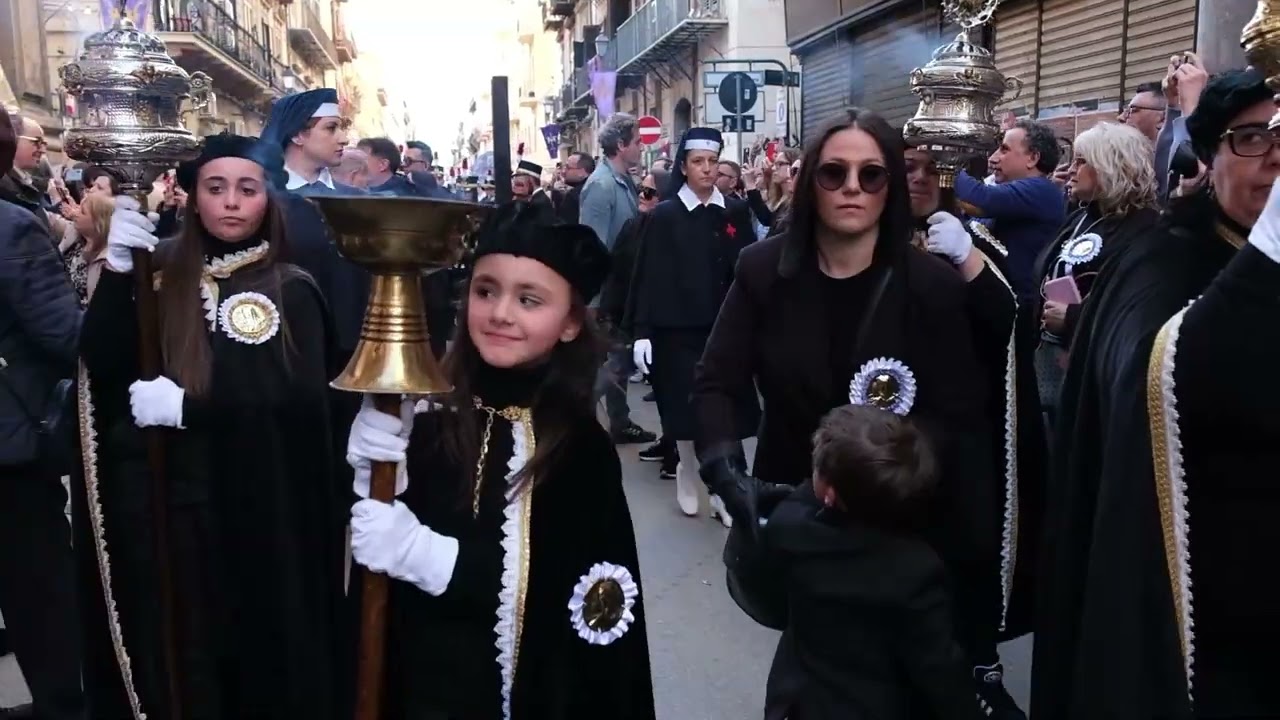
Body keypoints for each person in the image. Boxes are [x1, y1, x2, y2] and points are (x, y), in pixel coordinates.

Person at [693, 108, 1014, 712]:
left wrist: (893, 483)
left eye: (871, 176)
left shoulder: (934, 287)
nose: (851, 189)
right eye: (834, 173)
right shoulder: (762, 271)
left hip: (904, 532)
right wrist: (725, 472)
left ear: (891, 186)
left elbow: (960, 417)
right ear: (809, 179)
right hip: (802, 523)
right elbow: (715, 381)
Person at [345, 200, 656, 718]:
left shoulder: (579, 448)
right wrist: (372, 474)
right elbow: (371, 550)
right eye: (486, 291)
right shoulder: (427, 413)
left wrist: (428, 556)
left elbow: (570, 598)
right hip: (416, 680)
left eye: (529, 300)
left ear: (571, 323)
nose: (500, 313)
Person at [1032, 68, 1280, 719]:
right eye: (1253, 136)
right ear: (1211, 155)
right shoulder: (1166, 257)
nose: (1276, 155)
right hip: (1204, 608)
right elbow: (1152, 378)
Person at [76, 134, 348, 720]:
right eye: (215, 188)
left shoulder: (290, 286)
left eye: (246, 190)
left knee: (253, 651)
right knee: (181, 652)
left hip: (257, 506)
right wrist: (118, 272)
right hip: (173, 507)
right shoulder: (158, 272)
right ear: (193, 196)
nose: (230, 203)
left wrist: (194, 409)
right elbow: (103, 362)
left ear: (266, 199)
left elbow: (301, 401)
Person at [907, 144, 1046, 653]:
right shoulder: (867, 238)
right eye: (907, 168)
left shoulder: (979, 238)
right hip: (889, 422)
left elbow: (1009, 318)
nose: (921, 179)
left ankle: (976, 662)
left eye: (932, 169)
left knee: (967, 547)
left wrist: (967, 258)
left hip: (965, 424)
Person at [761, 404, 982, 720]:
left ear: (829, 494)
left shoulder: (791, 529)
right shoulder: (916, 568)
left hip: (802, 703)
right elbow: (938, 667)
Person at [0, 97, 86, 720]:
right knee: (38, 592)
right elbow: (63, 336)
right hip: (10, 444)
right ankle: (63, 705)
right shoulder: (10, 226)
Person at [629, 127, 757, 522]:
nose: (706, 169)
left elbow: (749, 268)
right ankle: (686, 467)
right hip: (676, 329)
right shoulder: (665, 216)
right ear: (683, 167)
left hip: (724, 327)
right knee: (685, 411)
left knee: (723, 411)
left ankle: (723, 487)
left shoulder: (732, 210)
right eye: (698, 162)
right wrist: (642, 331)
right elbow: (647, 273)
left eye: (712, 161)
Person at [1030, 122, 1161, 427]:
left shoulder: (1146, 229)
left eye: (1081, 160)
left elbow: (1139, 312)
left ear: (1110, 165)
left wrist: (1075, 318)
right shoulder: (1078, 217)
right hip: (1050, 362)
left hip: (1100, 379)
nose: (1070, 169)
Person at [580, 113, 655, 445]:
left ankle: (619, 422)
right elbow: (591, 246)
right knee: (612, 360)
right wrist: (593, 301)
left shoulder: (622, 182)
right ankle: (574, 417)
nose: (641, 147)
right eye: (637, 141)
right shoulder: (601, 185)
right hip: (607, 292)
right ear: (621, 145)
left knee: (618, 358)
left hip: (623, 289)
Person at [953, 120, 1066, 298]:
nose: (993, 158)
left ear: (1033, 158)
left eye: (1004, 150)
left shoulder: (1041, 190)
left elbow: (980, 198)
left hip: (1018, 309)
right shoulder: (1010, 198)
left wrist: (944, 161)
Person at [261, 88, 361, 197]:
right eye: (331, 128)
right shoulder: (261, 196)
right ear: (297, 135)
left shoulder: (357, 198)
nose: (344, 140)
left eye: (341, 128)